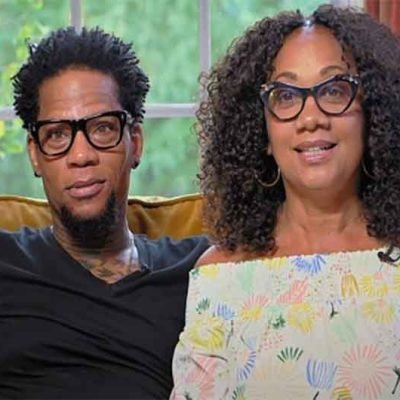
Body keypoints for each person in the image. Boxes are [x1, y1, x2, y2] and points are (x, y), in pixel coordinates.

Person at [171, 4, 400, 399]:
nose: (310, 118)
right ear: (260, 129)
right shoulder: (220, 276)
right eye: (286, 96)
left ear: (373, 113)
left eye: (334, 89)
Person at [0, 27, 209, 399]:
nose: (81, 155)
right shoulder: (6, 263)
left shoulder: (201, 270)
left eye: (102, 128)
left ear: (135, 143)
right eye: (57, 134)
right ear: (35, 154)